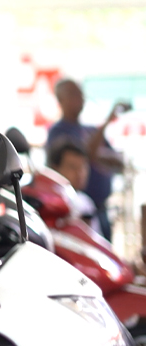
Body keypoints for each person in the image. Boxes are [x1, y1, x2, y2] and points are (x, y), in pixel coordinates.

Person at [46, 78, 124, 241]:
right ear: (61, 100)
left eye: (81, 94)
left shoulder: (89, 130)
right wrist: (109, 120)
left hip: (100, 209)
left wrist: (97, 154)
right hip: (76, 213)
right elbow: (87, 152)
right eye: (74, 94)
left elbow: (117, 161)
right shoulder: (58, 132)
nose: (80, 99)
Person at [46, 139, 97, 225]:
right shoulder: (46, 202)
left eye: (83, 167)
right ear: (55, 169)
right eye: (72, 167)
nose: (79, 173)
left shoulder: (87, 203)